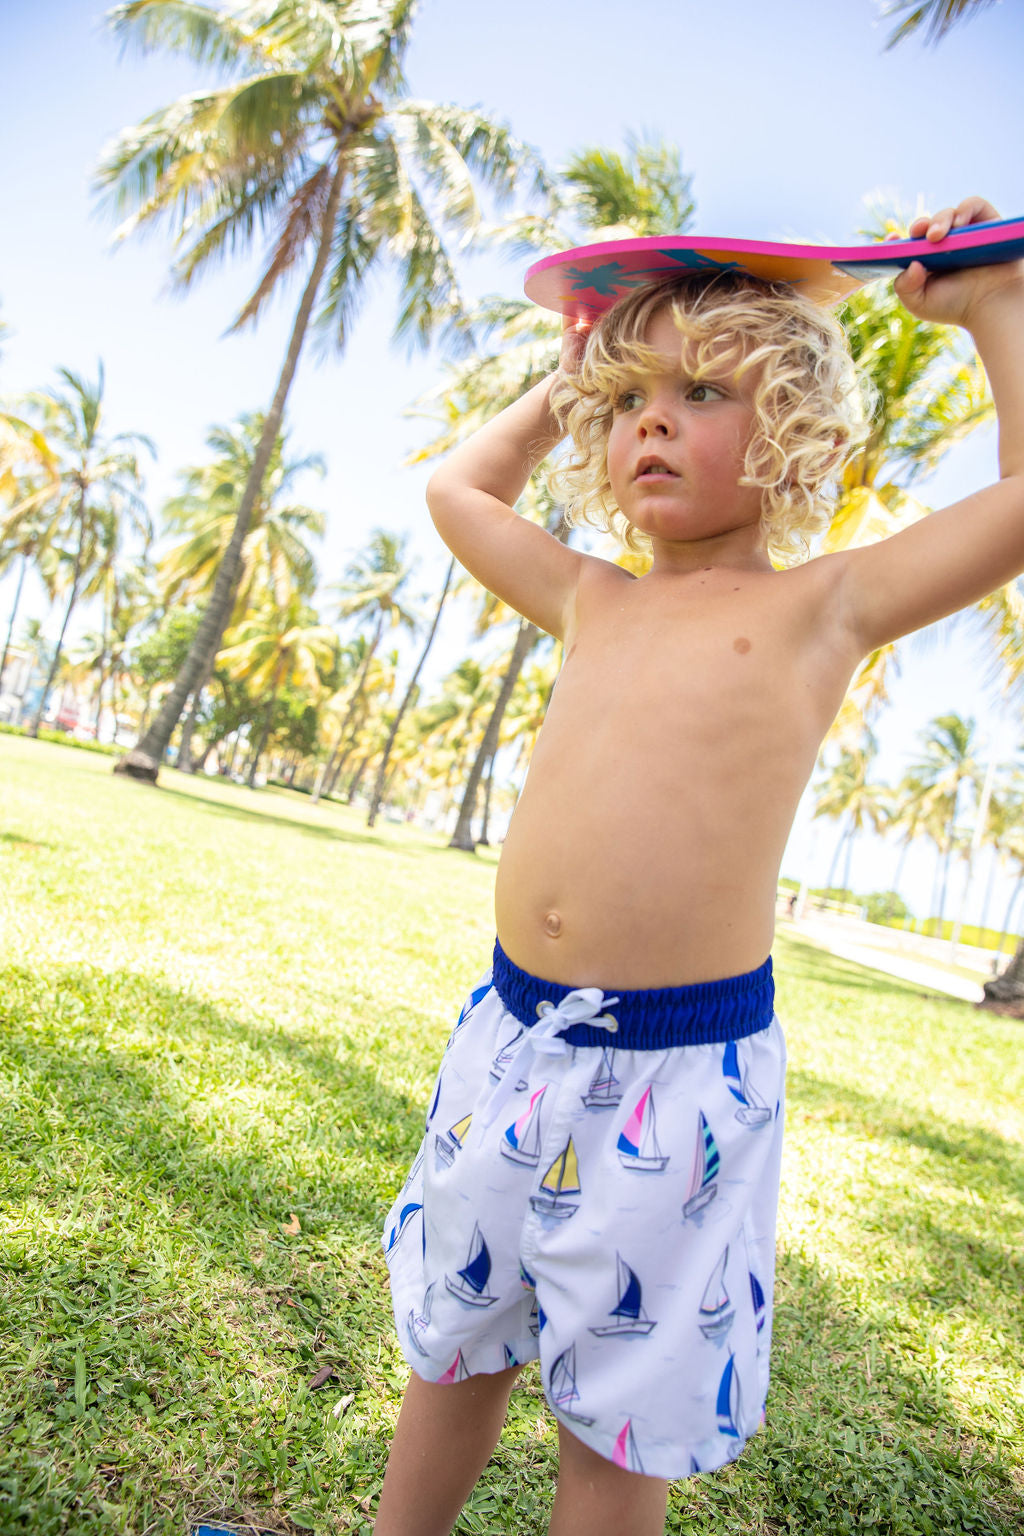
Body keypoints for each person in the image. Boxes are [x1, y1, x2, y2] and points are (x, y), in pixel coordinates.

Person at [374, 196, 1024, 1536]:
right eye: (629, 402)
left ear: (806, 439)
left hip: (680, 1077)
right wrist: (571, 380)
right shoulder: (589, 595)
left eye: (704, 391)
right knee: (454, 1341)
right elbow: (455, 491)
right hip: (508, 1040)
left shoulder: (824, 607)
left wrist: (989, 307)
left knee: (621, 1414)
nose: (648, 421)